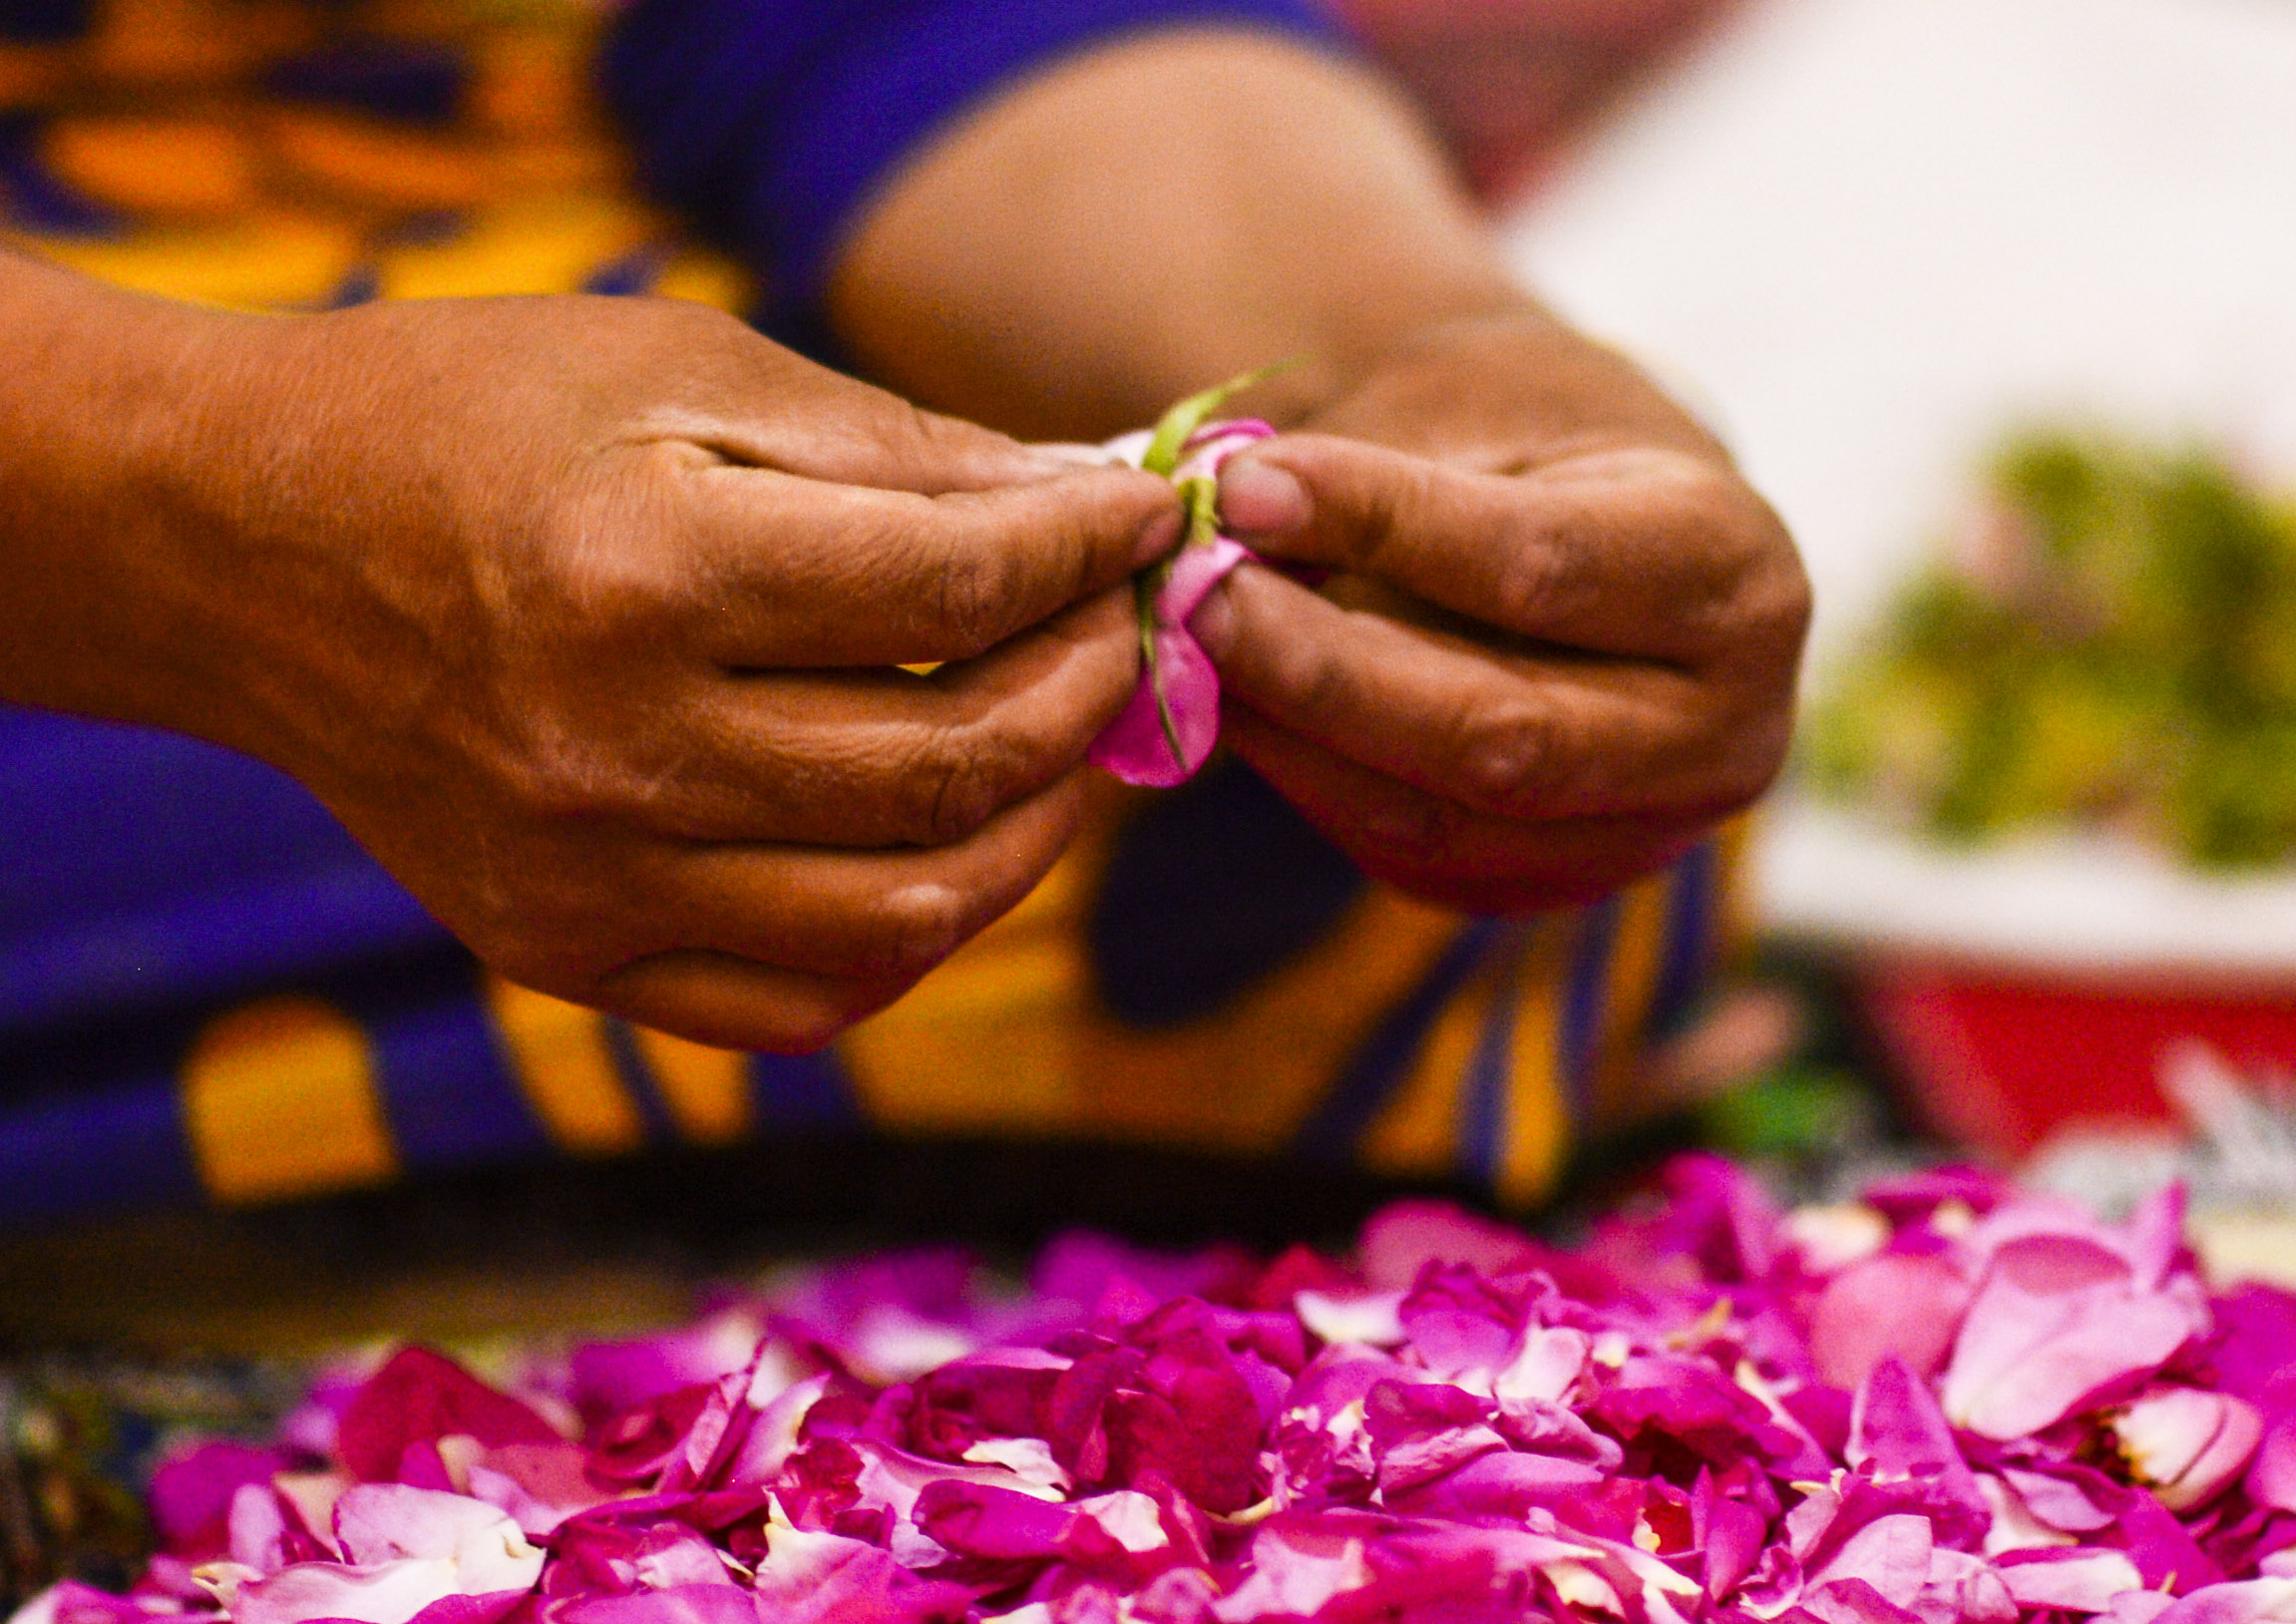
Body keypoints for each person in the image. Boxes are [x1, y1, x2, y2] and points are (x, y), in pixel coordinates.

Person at [0, 0, 1807, 1229]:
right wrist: (213, 518)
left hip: (536, 215)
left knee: (1432, 698)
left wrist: (1409, 344)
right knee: (252, 821)